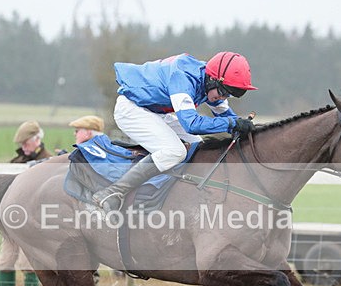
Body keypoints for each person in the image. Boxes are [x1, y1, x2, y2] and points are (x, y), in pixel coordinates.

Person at [92, 51, 258, 212]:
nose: (223, 98)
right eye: (223, 92)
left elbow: (228, 117)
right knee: (175, 151)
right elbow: (191, 124)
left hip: (156, 112)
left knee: (199, 150)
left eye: (228, 94)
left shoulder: (210, 82)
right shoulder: (184, 77)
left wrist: (246, 128)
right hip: (131, 109)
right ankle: (113, 192)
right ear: (212, 79)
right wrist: (232, 124)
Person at [0, 120, 52, 286]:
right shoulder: (16, 163)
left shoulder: (49, 161)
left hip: (32, 224)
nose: (23, 147)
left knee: (28, 265)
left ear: (37, 140)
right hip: (11, 222)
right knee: (4, 262)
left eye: (26, 143)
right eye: (21, 144)